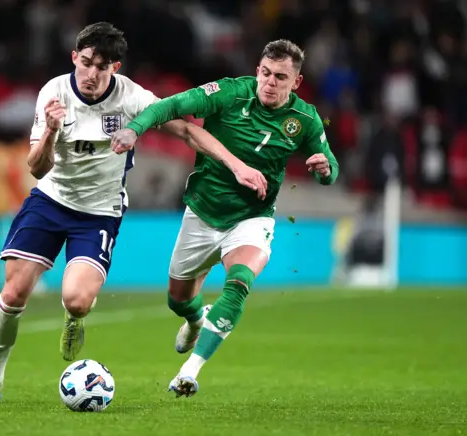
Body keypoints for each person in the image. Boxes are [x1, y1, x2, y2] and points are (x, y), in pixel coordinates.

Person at [0, 22, 263, 404]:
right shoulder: (53, 93)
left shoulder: (132, 98)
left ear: (115, 68)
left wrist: (236, 164)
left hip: (99, 212)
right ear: (74, 57)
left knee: (76, 300)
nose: (90, 73)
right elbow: (36, 168)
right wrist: (53, 131)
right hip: (50, 200)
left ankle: (74, 320)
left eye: (101, 66)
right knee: (13, 292)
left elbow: (187, 131)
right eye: (85, 62)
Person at [111, 39, 339, 398]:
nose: (269, 82)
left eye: (280, 77)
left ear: (295, 82)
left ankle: (189, 372)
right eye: (265, 73)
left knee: (239, 281)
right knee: (178, 300)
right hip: (202, 212)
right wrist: (134, 129)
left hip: (252, 217)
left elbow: (330, 168)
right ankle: (195, 319)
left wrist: (324, 169)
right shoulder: (230, 93)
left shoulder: (305, 119)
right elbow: (172, 106)